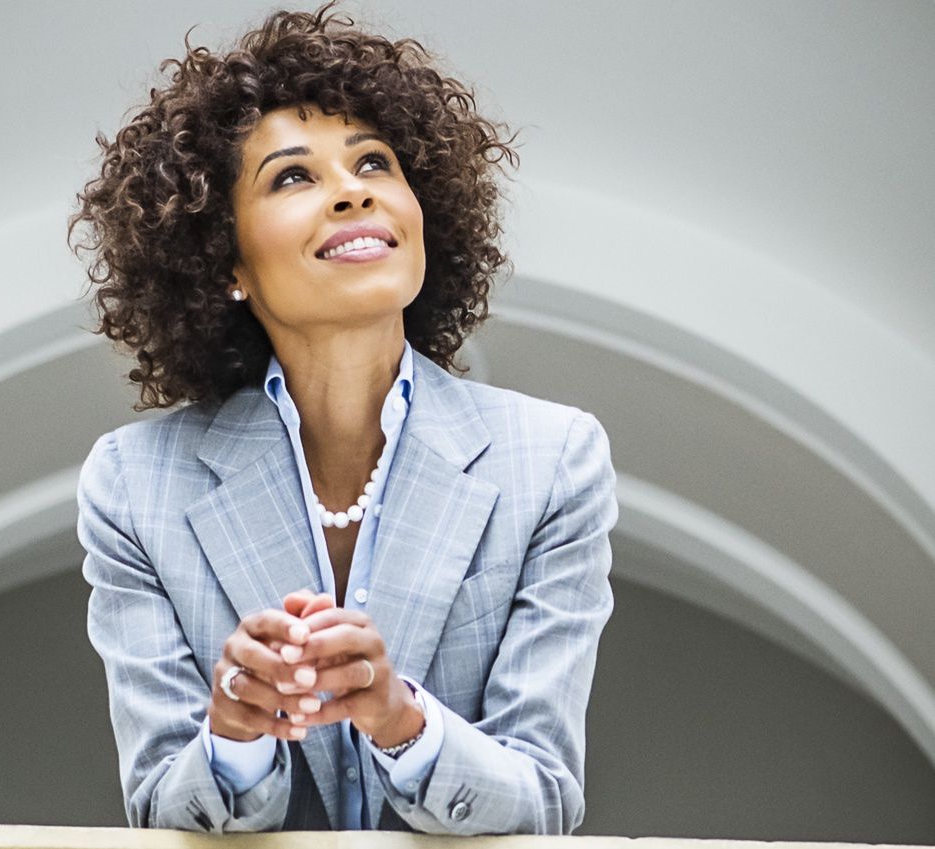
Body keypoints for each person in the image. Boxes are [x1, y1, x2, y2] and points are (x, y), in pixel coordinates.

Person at [70, 4, 616, 835]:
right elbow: (159, 805)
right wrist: (236, 733)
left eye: (374, 162)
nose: (353, 190)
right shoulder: (132, 482)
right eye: (293, 177)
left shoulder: (552, 460)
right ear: (225, 265)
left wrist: (401, 720)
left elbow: (543, 798)